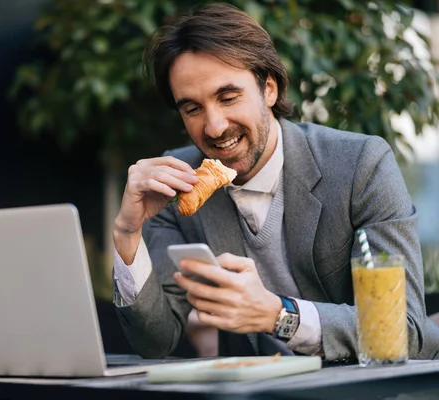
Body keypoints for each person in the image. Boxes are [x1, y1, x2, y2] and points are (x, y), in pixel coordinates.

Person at [111, 2, 428, 362]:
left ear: (270, 90)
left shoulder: (361, 165)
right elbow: (156, 341)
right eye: (193, 109)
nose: (214, 127)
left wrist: (280, 315)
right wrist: (127, 233)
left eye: (228, 98)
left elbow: (408, 331)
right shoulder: (174, 187)